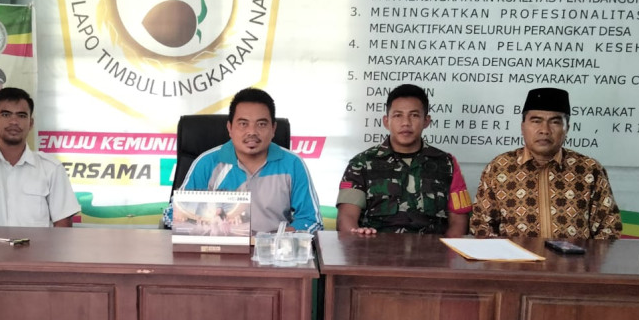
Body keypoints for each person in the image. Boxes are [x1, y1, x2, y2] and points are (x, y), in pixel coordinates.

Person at [470, 87, 623, 239]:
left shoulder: (588, 169)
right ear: (523, 127)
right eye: (536, 121)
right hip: (515, 255)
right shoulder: (499, 168)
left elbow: (608, 229)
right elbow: (481, 227)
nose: (544, 130)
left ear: (567, 128)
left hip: (577, 256)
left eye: (555, 122)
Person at [170, 87, 323, 234]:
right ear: (230, 128)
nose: (252, 132)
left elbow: (311, 221)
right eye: (243, 124)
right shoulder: (207, 163)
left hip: (274, 249)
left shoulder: (293, 164)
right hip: (220, 248)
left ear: (273, 129)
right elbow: (172, 213)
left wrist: (274, 238)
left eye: (261, 124)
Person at [336, 84, 471, 237]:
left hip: (432, 250)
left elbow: (459, 221)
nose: (406, 122)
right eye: (398, 115)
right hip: (375, 249)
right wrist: (357, 237)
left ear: (426, 121)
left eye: (414, 115)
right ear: (386, 121)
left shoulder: (447, 163)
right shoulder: (361, 164)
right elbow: (346, 216)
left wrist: (447, 250)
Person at [0, 87, 79, 231]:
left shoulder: (51, 168)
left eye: (21, 115)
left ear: (30, 123)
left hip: (37, 246)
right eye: (6, 114)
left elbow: (63, 223)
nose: (14, 122)